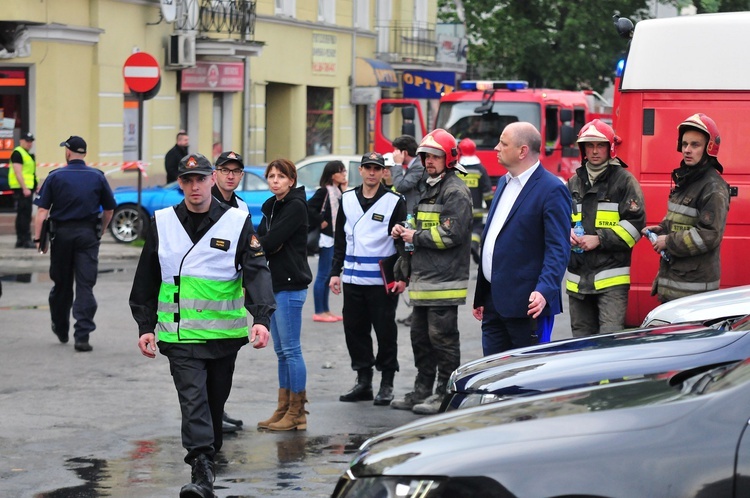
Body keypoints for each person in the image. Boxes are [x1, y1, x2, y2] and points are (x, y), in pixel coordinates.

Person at [129, 152, 274, 498]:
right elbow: (146, 278)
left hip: (224, 336)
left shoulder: (237, 222)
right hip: (179, 337)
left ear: (212, 180)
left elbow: (256, 271)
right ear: (179, 183)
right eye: (187, 180)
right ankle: (201, 468)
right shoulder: (162, 222)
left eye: (201, 179)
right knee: (192, 400)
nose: (195, 186)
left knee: (214, 402)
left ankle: (208, 458)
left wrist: (262, 318)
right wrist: (145, 325)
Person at [390, 129, 473, 415]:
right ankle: (422, 389)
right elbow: (420, 223)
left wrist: (415, 236)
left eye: (435, 156)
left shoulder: (455, 190)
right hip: (424, 279)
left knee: (444, 341)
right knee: (420, 340)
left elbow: (452, 234)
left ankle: (445, 395)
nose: (429, 161)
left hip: (445, 281)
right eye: (426, 156)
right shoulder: (428, 186)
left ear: (448, 158)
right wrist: (404, 230)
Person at [472, 122, 571, 356]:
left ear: (522, 151)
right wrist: (483, 294)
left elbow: (558, 247)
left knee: (527, 377)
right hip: (494, 301)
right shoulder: (505, 183)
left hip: (528, 305)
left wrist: (544, 290)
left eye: (503, 144)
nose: (496, 148)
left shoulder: (551, 189)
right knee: (493, 375)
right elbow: (495, 237)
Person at [330, 152, 407, 406]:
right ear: (360, 171)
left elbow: (401, 244)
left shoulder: (394, 200)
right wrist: (334, 272)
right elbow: (340, 239)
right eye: (368, 168)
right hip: (352, 278)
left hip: (381, 282)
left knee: (385, 332)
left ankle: (386, 382)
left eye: (377, 168)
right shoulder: (348, 198)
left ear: (383, 172)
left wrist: (403, 276)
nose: (372, 172)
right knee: (354, 331)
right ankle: (363, 381)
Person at [33, 135, 117, 352]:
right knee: (85, 285)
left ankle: (60, 326)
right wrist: (102, 228)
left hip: (61, 236)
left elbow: (42, 211)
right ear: (85, 154)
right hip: (88, 234)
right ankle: (82, 335)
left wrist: (37, 239)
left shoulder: (55, 176)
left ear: (68, 152)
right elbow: (109, 209)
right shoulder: (98, 176)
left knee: (61, 284)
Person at [567, 120, 646, 337]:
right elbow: (561, 219)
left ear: (610, 148)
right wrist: (568, 233)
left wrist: (599, 239)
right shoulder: (573, 182)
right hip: (578, 281)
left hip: (611, 281)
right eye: (589, 145)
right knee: (581, 347)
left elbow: (635, 225)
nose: (594, 151)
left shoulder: (624, 181)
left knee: (609, 344)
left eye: (599, 145)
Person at [642, 113, 730, 303]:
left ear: (709, 148)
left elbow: (709, 235)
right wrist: (662, 229)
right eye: (684, 144)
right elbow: (681, 220)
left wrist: (669, 241)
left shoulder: (713, 187)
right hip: (675, 284)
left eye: (695, 145)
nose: (687, 150)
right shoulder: (687, 180)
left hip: (694, 294)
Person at [256, 158, 313, 431]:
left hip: (291, 284)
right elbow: (258, 240)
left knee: (291, 349)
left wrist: (258, 245)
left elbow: (269, 241)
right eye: (271, 176)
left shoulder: (295, 207)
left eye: (281, 176)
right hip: (275, 283)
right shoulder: (271, 206)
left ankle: (297, 411)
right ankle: (283, 408)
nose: (275, 180)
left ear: (292, 180)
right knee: (280, 351)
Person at [211, 150, 249, 434]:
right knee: (204, 363)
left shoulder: (242, 207)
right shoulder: (201, 201)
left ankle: (219, 409)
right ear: (216, 173)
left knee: (226, 362)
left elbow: (248, 249)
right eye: (226, 170)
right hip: (200, 297)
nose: (231, 175)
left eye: (235, 171)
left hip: (230, 294)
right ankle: (209, 417)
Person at [308, 160, 346, 323]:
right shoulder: (324, 192)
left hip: (335, 236)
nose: (344, 174)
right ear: (332, 174)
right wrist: (320, 221)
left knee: (329, 274)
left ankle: (326, 309)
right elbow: (308, 207)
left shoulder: (337, 191)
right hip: (326, 238)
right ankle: (319, 311)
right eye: (341, 171)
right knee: (323, 274)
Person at [456, 138, 493, 264]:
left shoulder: (456, 169)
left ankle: (460, 254)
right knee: (477, 229)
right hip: (476, 211)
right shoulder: (480, 169)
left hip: (458, 210)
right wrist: (491, 207)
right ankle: (474, 245)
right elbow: (487, 192)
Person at [9, 132, 37, 248]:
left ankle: (21, 240)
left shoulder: (27, 154)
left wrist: (34, 186)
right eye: (27, 141)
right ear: (21, 141)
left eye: (31, 141)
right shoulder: (18, 153)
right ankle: (24, 239)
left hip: (27, 188)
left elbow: (30, 173)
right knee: (24, 215)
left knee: (24, 214)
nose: (29, 143)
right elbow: (17, 172)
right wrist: (25, 188)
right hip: (22, 189)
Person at [389, 135, 425, 215]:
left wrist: (398, 164)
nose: (394, 155)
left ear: (404, 153)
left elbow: (400, 186)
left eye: (396, 152)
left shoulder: (419, 167)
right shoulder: (413, 166)